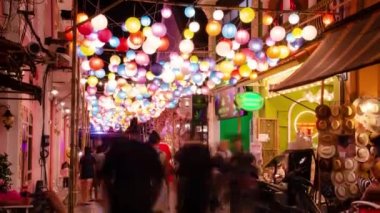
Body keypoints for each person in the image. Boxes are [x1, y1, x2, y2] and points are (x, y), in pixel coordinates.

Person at [102, 118, 164, 213]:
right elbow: (158, 179)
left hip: (120, 200)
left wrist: (112, 195)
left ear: (127, 133)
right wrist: (152, 197)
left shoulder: (117, 148)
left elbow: (106, 176)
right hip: (143, 200)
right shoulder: (149, 151)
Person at [175, 140, 212, 213]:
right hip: (201, 185)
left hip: (188, 185)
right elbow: (209, 169)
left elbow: (179, 168)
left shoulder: (185, 153)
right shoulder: (204, 153)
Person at [148, 131, 169, 213]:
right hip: (160, 182)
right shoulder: (162, 154)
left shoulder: (145, 153)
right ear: (158, 141)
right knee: (160, 208)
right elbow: (166, 171)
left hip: (148, 183)